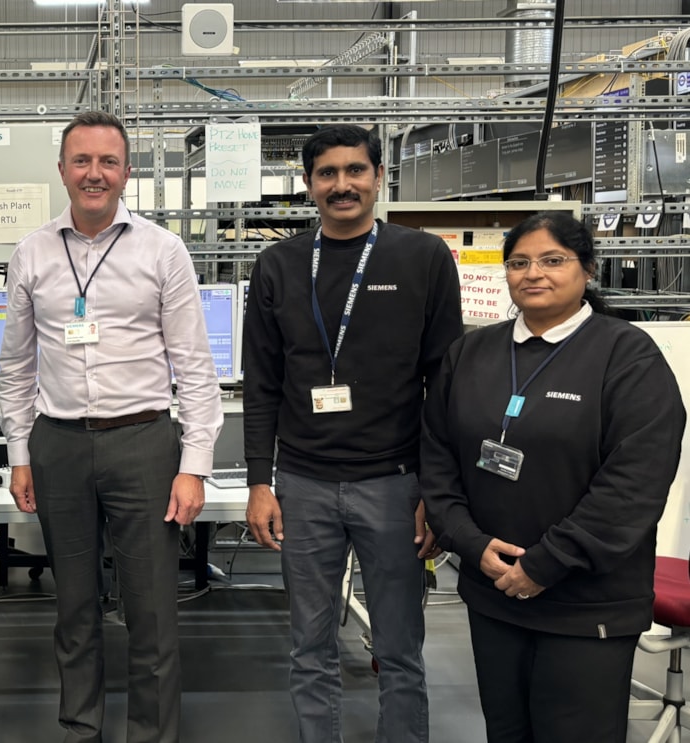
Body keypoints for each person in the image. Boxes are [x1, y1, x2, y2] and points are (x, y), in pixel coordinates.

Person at [0, 110, 223, 743]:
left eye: (108, 162)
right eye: (81, 161)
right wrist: (19, 454)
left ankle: (151, 735)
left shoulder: (162, 249)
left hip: (145, 442)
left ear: (127, 171)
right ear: (62, 169)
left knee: (151, 612)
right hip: (59, 445)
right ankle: (81, 730)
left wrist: (193, 465)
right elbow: (15, 367)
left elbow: (195, 369)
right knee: (74, 608)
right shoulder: (33, 252)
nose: (94, 174)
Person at [421, 211, 686, 742]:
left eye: (552, 260)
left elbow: (632, 486)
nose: (532, 273)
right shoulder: (472, 352)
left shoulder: (626, 356)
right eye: (518, 262)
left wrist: (544, 565)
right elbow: (438, 459)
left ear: (587, 268)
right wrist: (471, 546)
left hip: (585, 602)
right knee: (507, 731)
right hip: (492, 589)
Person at [241, 124, 462, 743]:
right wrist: (262, 482)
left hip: (395, 486)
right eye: (327, 174)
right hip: (304, 485)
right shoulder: (279, 265)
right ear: (308, 184)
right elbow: (260, 385)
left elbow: (444, 383)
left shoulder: (422, 258)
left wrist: (436, 491)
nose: (342, 185)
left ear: (377, 176)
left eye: (354, 171)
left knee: (399, 648)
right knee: (309, 648)